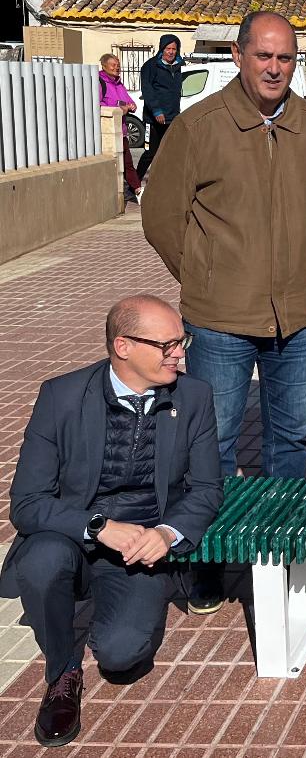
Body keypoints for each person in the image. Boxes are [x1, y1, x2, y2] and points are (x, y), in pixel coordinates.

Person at [142, 12, 306, 613]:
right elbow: (160, 216)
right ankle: (209, 558)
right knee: (214, 442)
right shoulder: (200, 126)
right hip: (219, 318)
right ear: (238, 54)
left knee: (289, 439)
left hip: (297, 317)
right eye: (264, 56)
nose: (275, 68)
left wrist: (295, 273)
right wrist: (207, 278)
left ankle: (279, 557)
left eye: (286, 58)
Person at [0, 296, 222, 748]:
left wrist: (167, 533)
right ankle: (63, 672)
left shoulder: (194, 397)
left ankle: (117, 597)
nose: (179, 353)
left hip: (140, 544)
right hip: (71, 535)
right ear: (122, 346)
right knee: (41, 562)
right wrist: (99, 526)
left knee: (122, 655)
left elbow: (206, 489)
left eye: (182, 342)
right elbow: (26, 502)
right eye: (167, 345)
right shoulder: (61, 396)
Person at [136, 34, 182, 181]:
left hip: (171, 118)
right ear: (162, 49)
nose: (171, 52)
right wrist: (157, 111)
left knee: (170, 152)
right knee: (150, 152)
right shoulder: (150, 66)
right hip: (153, 119)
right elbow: (148, 90)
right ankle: (135, 183)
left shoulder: (179, 66)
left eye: (174, 49)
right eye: (168, 48)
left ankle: (164, 183)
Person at [97, 54, 141, 201]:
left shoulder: (119, 84)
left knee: (127, 163)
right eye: (113, 65)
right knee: (115, 164)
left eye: (118, 65)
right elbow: (98, 105)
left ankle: (137, 190)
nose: (117, 68)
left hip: (121, 130)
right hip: (107, 132)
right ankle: (127, 191)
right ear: (104, 66)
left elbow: (128, 100)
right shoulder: (100, 83)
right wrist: (119, 108)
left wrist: (132, 106)